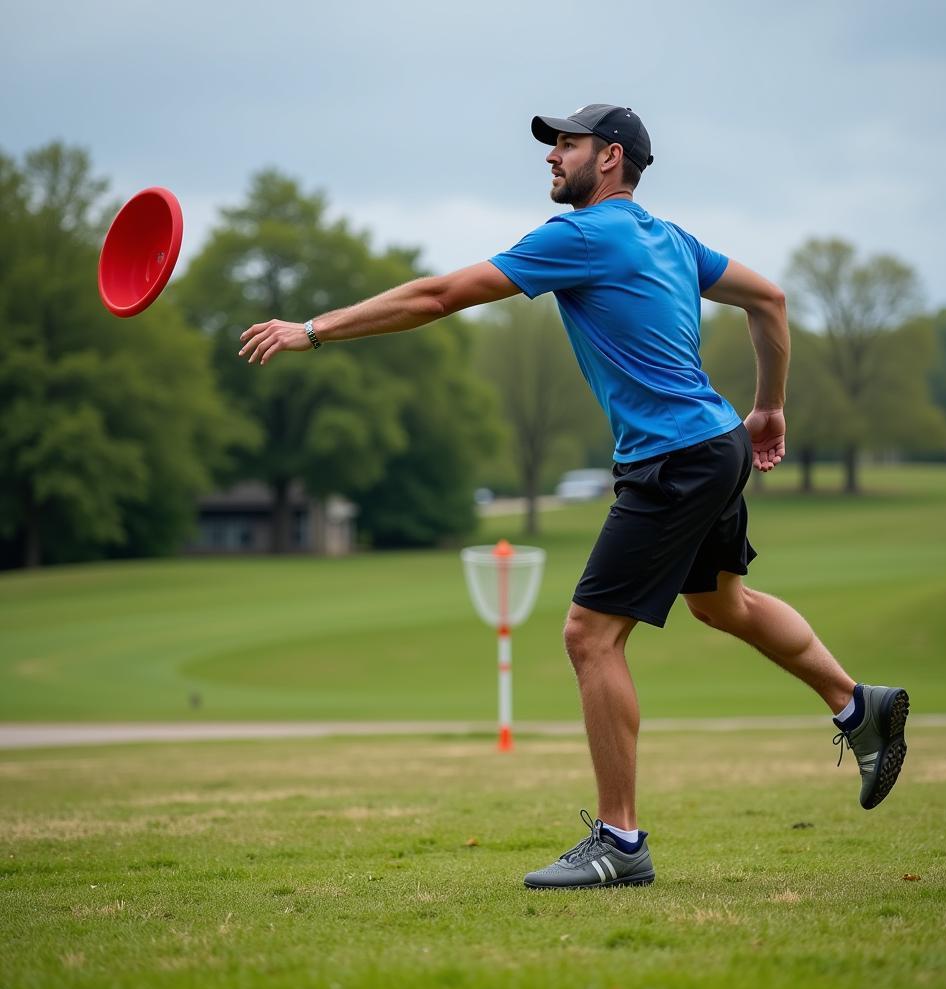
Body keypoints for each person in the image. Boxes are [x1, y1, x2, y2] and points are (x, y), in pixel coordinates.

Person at [239, 103, 910, 890]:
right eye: (553, 145)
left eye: (568, 144)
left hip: (673, 458)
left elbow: (440, 296)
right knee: (721, 604)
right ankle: (855, 705)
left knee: (590, 636)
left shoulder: (581, 237)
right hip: (716, 441)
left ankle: (619, 845)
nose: (553, 157)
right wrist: (768, 406)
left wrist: (312, 330)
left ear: (612, 158)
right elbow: (772, 301)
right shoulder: (671, 240)